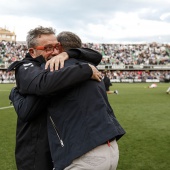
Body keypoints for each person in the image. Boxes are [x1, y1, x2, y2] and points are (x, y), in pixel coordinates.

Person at [10, 31, 125, 170]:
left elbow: (27, 109)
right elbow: (96, 55)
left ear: (61, 48)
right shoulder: (88, 65)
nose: (53, 52)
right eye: (48, 48)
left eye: (56, 47)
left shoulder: (55, 70)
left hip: (83, 153)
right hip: (110, 147)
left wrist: (14, 92)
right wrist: (84, 68)